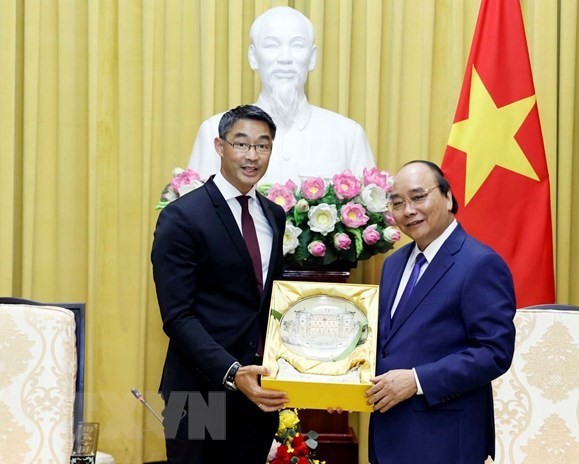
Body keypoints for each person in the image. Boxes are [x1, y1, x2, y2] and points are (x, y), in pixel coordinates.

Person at [151, 105, 288, 463]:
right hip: (198, 392)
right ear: (220, 146)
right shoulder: (182, 217)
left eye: (263, 146)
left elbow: (272, 302)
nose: (252, 156)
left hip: (258, 389)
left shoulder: (274, 215)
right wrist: (231, 372)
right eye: (241, 144)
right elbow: (177, 316)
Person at [365, 160, 516, 464]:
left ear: (448, 197)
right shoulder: (393, 265)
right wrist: (339, 384)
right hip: (389, 434)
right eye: (397, 202)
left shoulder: (479, 263)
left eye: (418, 197)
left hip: (445, 439)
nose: (408, 210)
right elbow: (385, 345)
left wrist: (417, 380)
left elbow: (493, 351)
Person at [187, 6, 376, 186]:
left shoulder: (348, 135)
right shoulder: (214, 130)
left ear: (312, 58)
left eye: (297, 46)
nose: (285, 58)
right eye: (271, 46)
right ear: (253, 57)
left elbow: (371, 215)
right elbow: (190, 213)